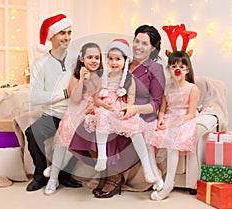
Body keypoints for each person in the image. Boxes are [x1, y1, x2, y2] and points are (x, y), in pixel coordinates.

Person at [69, 25, 166, 198]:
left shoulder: (155, 68)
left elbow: (156, 103)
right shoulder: (122, 61)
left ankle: (114, 176)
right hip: (114, 107)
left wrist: (134, 108)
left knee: (119, 128)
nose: (138, 46)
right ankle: (105, 169)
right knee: (88, 126)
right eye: (137, 41)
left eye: (144, 44)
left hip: (139, 112)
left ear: (153, 48)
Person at [83, 38, 157, 185]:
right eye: (110, 59)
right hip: (105, 107)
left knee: (134, 127)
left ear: (125, 61)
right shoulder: (102, 78)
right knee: (102, 115)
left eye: (118, 59)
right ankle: (102, 157)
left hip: (121, 107)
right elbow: (96, 99)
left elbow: (130, 101)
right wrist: (102, 104)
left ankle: (147, 167)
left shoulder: (130, 80)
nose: (114, 62)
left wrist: (127, 110)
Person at [25, 14, 81, 192]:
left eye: (69, 32)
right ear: (51, 36)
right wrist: (65, 93)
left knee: (90, 135)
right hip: (52, 115)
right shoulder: (39, 63)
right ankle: (40, 175)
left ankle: (64, 174)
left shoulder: (76, 58)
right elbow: (35, 97)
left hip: (74, 115)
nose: (67, 37)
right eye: (62, 33)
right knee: (32, 133)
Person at [44, 42, 103, 195]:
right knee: (65, 132)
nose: (94, 60)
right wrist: (82, 79)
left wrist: (91, 80)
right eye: (90, 57)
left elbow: (97, 96)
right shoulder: (77, 75)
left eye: (97, 57)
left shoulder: (102, 76)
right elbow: (75, 99)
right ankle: (53, 178)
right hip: (77, 110)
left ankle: (54, 169)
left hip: (94, 111)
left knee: (81, 134)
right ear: (82, 59)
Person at [149, 50, 199, 200]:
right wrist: (161, 119)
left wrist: (172, 125)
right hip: (170, 118)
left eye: (181, 67)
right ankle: (155, 174)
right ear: (169, 69)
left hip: (184, 120)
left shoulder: (192, 88)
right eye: (173, 66)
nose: (177, 70)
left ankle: (169, 182)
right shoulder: (167, 88)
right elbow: (163, 110)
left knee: (173, 142)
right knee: (150, 137)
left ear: (187, 70)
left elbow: (190, 114)